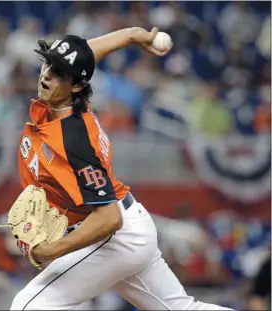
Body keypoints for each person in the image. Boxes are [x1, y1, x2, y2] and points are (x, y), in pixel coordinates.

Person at [12, 26, 234, 310]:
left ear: (77, 85)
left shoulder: (73, 140)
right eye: (48, 65)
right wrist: (130, 35)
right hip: (129, 228)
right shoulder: (62, 102)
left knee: (28, 306)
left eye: (58, 73)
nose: (46, 76)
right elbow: (84, 55)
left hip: (115, 235)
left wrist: (51, 250)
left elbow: (109, 218)